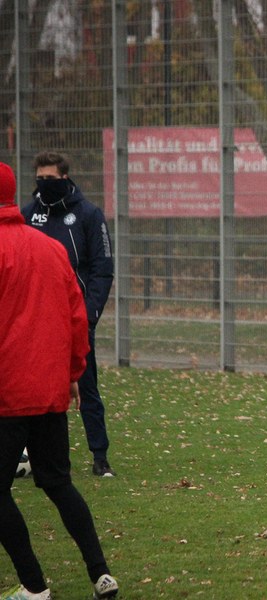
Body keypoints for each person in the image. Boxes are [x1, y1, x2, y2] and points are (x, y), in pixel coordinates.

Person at [0, 162, 119, 599]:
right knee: (57, 482)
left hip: (7, 396)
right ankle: (101, 574)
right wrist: (71, 374)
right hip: (49, 391)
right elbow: (75, 319)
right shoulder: (50, 249)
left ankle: (34, 587)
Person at [21, 152, 115, 478]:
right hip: (34, 321)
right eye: (40, 179)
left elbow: (102, 269)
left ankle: (100, 456)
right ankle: (30, 454)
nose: (45, 185)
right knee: (31, 389)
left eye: (51, 179)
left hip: (73, 320)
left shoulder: (88, 215)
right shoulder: (27, 215)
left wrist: (87, 316)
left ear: (65, 178)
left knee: (86, 387)